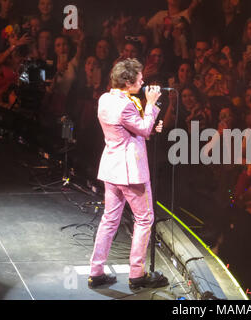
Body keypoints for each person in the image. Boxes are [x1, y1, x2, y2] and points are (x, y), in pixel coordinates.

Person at [88, 58, 167, 290]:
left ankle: (96, 271)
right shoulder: (127, 105)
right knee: (144, 219)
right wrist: (151, 104)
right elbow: (140, 128)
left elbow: (134, 129)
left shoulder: (105, 99)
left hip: (112, 170)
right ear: (128, 81)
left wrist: (149, 124)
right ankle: (137, 275)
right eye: (140, 79)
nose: (143, 82)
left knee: (109, 219)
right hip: (130, 172)